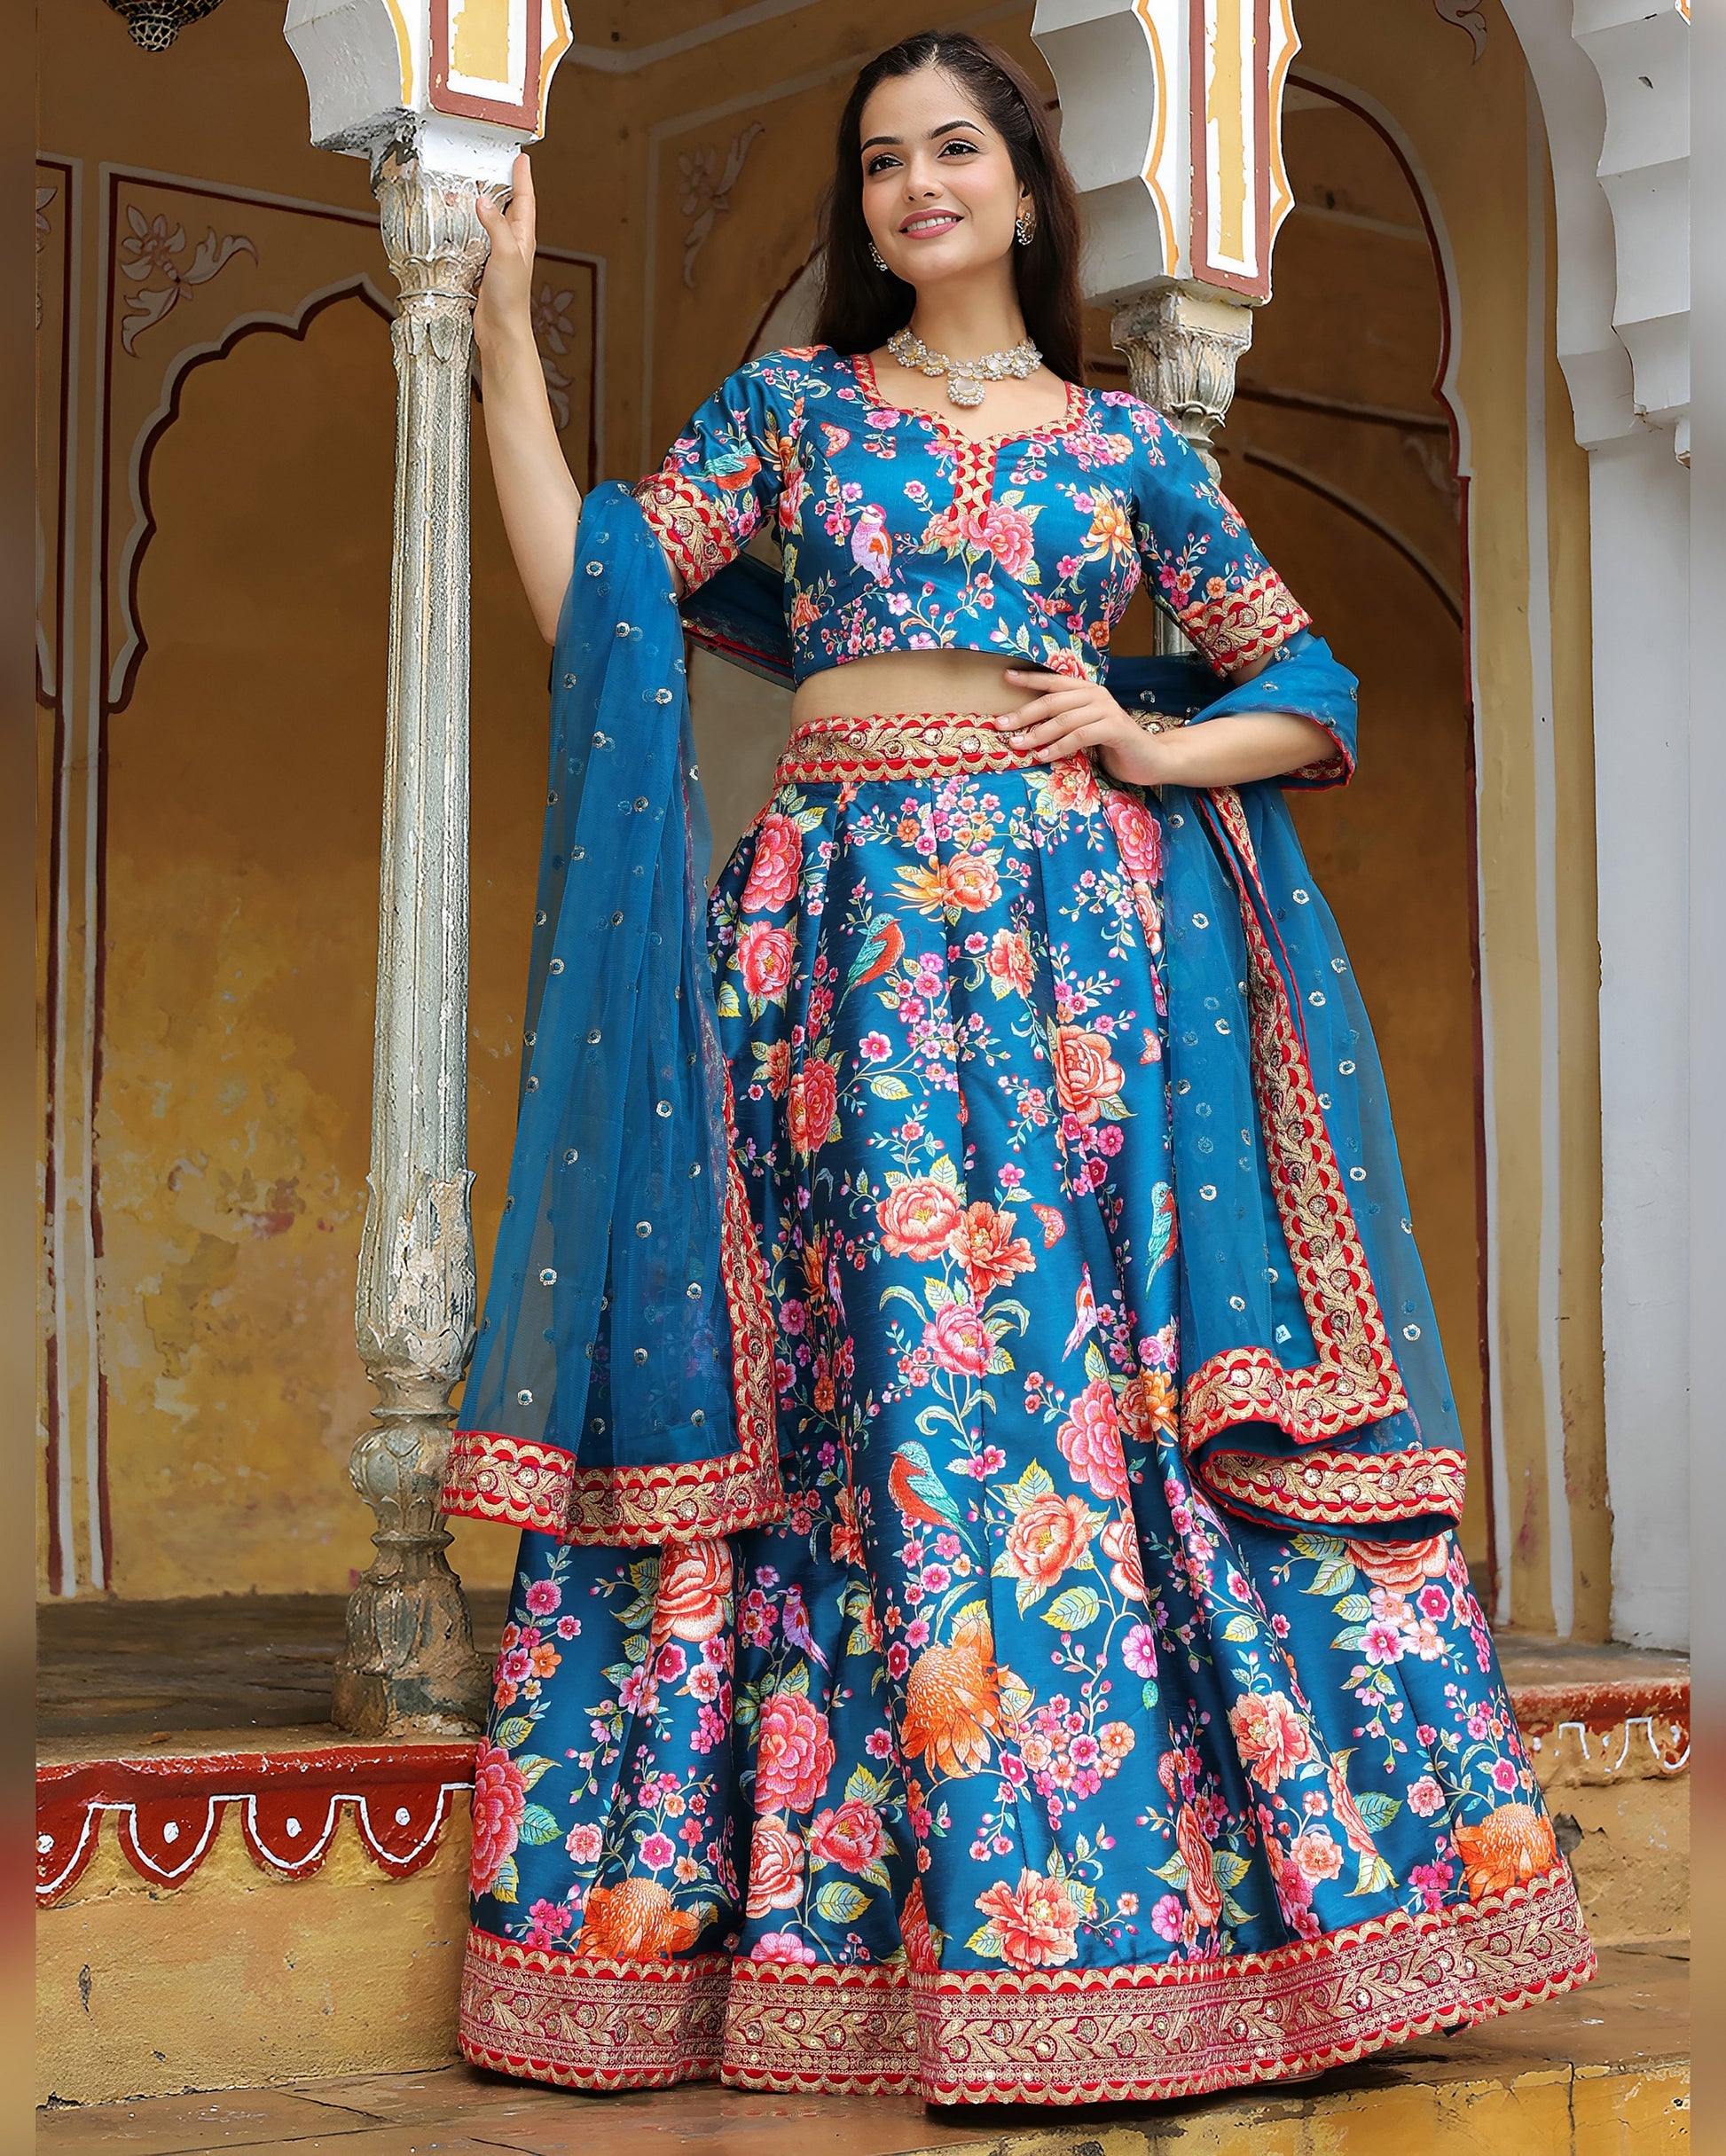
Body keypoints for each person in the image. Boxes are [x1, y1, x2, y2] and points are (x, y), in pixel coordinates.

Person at [440, 29, 1592, 2106]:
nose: (915, 188)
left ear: (1034, 186)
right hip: (838, 958)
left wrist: (1149, 745)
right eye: (882, 162)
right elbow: (592, 603)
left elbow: (1309, 682)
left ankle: (1173, 1933)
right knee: (864, 1388)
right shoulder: (792, 412)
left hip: (1078, 966)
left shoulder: (1124, 448)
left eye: (953, 149)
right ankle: (869, 1940)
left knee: (1067, 1405)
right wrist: (505, 338)